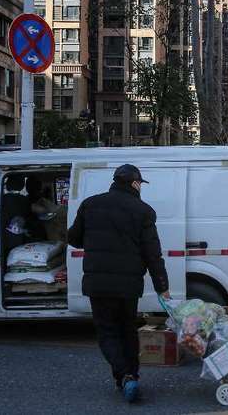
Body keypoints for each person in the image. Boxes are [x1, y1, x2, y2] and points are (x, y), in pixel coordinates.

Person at [68, 164, 170, 403]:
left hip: (98, 283)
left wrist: (94, 241)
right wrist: (161, 286)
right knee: (127, 330)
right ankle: (131, 374)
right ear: (135, 183)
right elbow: (152, 254)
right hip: (128, 286)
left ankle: (124, 376)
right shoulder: (143, 211)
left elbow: (73, 238)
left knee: (107, 332)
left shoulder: (90, 205)